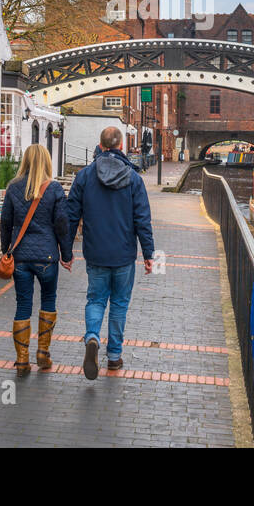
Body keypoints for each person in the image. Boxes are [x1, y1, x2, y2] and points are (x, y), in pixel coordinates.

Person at [65, 125, 155, 379]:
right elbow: (142, 220)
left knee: (95, 300)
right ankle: (114, 356)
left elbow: (71, 216)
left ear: (101, 146)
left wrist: (66, 250)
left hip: (95, 253)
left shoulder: (84, 176)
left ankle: (92, 336)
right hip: (124, 254)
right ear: (121, 147)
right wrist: (148, 254)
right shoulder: (134, 179)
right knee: (119, 304)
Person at [0, 144, 73, 376]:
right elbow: (62, 225)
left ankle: (22, 361)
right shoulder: (54, 189)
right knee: (48, 301)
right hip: (47, 256)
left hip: (20, 257)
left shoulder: (13, 188)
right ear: (47, 162)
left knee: (23, 305)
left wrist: (6, 251)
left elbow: (5, 223)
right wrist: (67, 254)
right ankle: (43, 352)